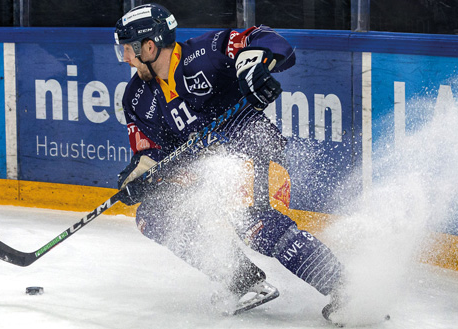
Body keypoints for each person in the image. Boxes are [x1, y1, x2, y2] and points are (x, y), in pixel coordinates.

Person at [112, 3, 346, 321]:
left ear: (149, 46)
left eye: (128, 49)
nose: (124, 57)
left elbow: (270, 41)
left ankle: (346, 290)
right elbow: (152, 153)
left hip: (258, 155)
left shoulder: (205, 54)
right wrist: (140, 176)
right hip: (208, 176)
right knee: (153, 215)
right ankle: (242, 280)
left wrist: (255, 64)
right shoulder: (136, 97)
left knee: (253, 222)